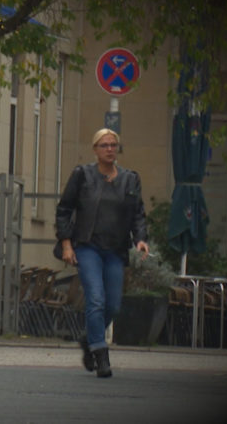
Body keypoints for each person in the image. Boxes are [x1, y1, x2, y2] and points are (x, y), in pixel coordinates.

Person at [55, 128, 150, 378]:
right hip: (88, 247)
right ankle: (100, 352)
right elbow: (64, 209)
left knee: (113, 305)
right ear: (95, 150)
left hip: (115, 250)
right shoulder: (83, 175)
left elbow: (138, 212)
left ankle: (89, 339)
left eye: (113, 145)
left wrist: (140, 239)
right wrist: (66, 244)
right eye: (104, 145)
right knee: (95, 299)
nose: (109, 149)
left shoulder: (130, 179)